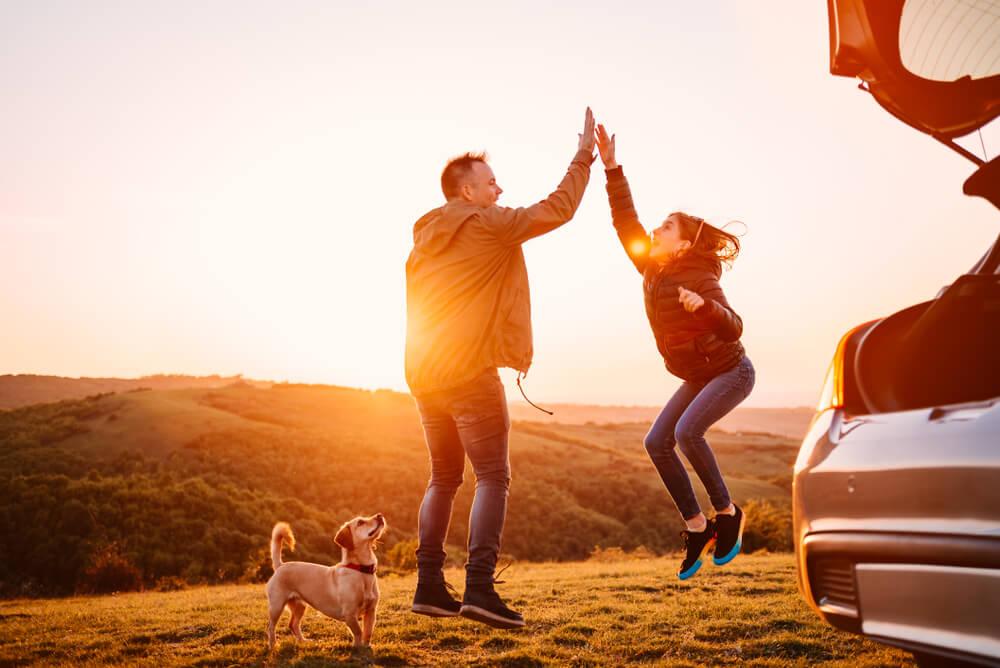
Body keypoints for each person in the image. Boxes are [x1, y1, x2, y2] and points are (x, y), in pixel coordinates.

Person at [405, 108, 596, 628]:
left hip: (423, 373)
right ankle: (479, 589)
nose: (499, 189)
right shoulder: (487, 224)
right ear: (467, 192)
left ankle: (428, 587)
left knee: (443, 477)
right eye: (491, 184)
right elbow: (557, 210)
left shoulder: (424, 238)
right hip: (469, 372)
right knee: (492, 475)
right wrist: (584, 156)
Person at [594, 123, 754, 580]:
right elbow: (625, 221)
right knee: (656, 442)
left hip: (732, 371)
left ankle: (727, 513)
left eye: (666, 226)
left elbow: (735, 325)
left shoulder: (701, 277)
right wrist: (611, 167)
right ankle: (697, 525)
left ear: (683, 242)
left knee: (686, 434)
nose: (656, 229)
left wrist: (705, 308)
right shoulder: (652, 269)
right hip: (700, 373)